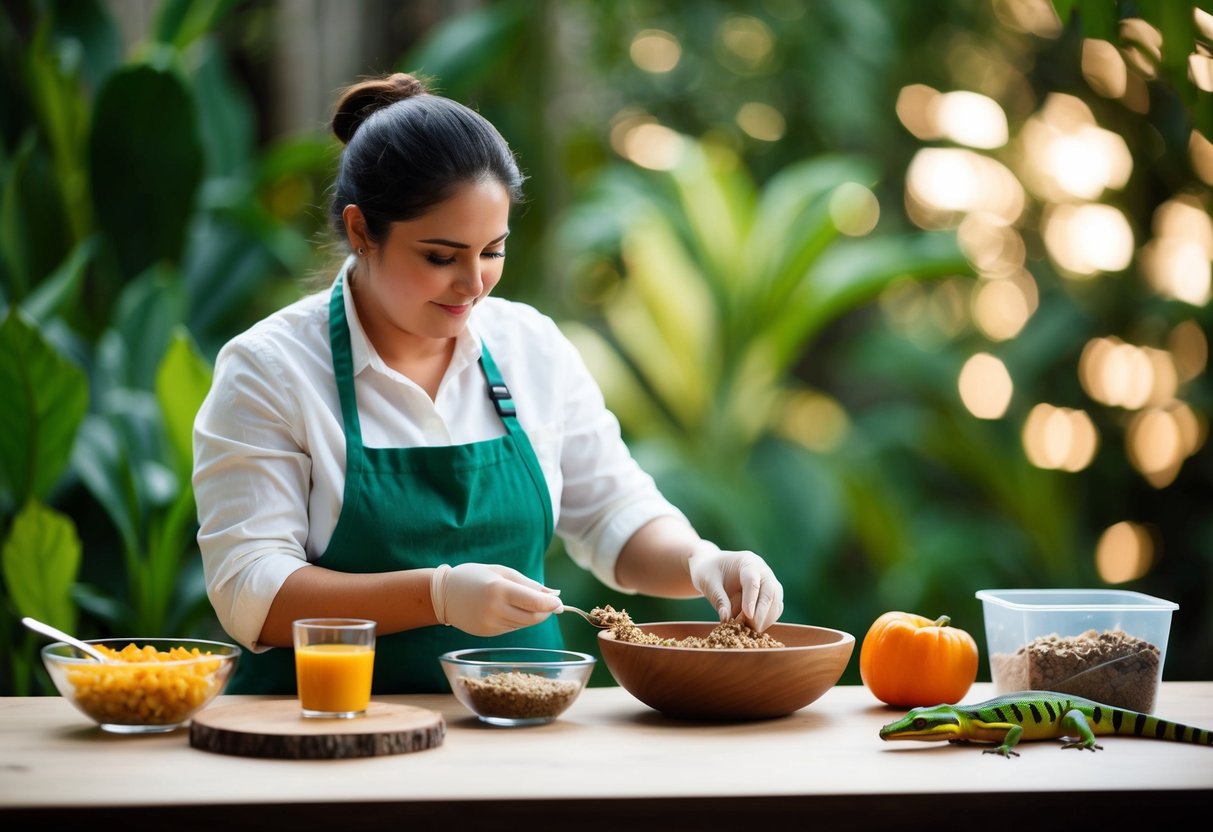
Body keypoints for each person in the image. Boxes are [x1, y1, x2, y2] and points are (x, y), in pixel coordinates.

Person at [192, 72, 785, 694]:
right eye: (441, 257)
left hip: (519, 734)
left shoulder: (531, 348)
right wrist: (438, 596)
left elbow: (615, 514)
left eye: (493, 251)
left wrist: (701, 560)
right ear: (363, 231)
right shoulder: (271, 369)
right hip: (324, 733)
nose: (473, 284)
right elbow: (251, 590)